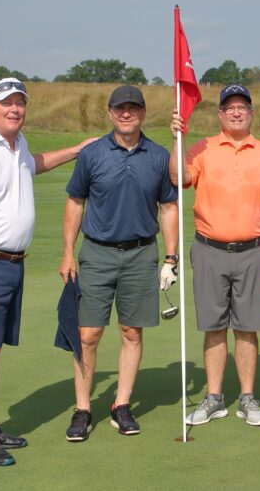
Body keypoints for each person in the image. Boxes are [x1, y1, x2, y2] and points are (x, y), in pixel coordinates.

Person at [0, 77, 95, 466]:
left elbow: (33, 165)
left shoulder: (17, 145)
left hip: (9, 263)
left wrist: (76, 150)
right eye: (6, 102)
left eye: (20, 102)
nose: (15, 109)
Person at [59, 85, 178, 441]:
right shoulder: (92, 154)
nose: (126, 114)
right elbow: (75, 202)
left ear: (143, 113)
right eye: (120, 109)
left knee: (131, 331)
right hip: (97, 253)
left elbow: (168, 207)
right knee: (88, 334)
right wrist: (67, 251)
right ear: (110, 113)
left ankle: (121, 404)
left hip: (141, 253)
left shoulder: (158, 156)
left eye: (133, 108)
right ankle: (82, 409)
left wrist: (170, 258)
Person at [169, 84, 260, 427]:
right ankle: (214, 398)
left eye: (242, 107)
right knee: (214, 327)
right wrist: (176, 139)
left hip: (256, 250)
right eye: (230, 107)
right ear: (220, 114)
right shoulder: (202, 148)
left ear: (251, 113)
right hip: (210, 250)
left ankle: (247, 398)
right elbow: (178, 178)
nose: (236, 112)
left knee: (248, 329)